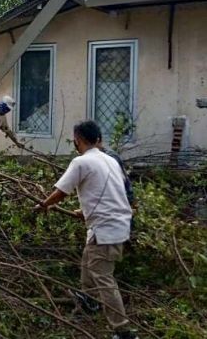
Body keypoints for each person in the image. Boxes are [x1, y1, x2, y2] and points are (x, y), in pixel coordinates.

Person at [33, 120, 138, 339]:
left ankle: (123, 331)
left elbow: (62, 191)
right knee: (88, 260)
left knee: (104, 278)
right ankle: (89, 299)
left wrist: (44, 204)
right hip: (117, 224)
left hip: (106, 229)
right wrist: (86, 211)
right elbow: (111, 191)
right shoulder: (110, 160)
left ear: (78, 140)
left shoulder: (81, 162)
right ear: (98, 139)